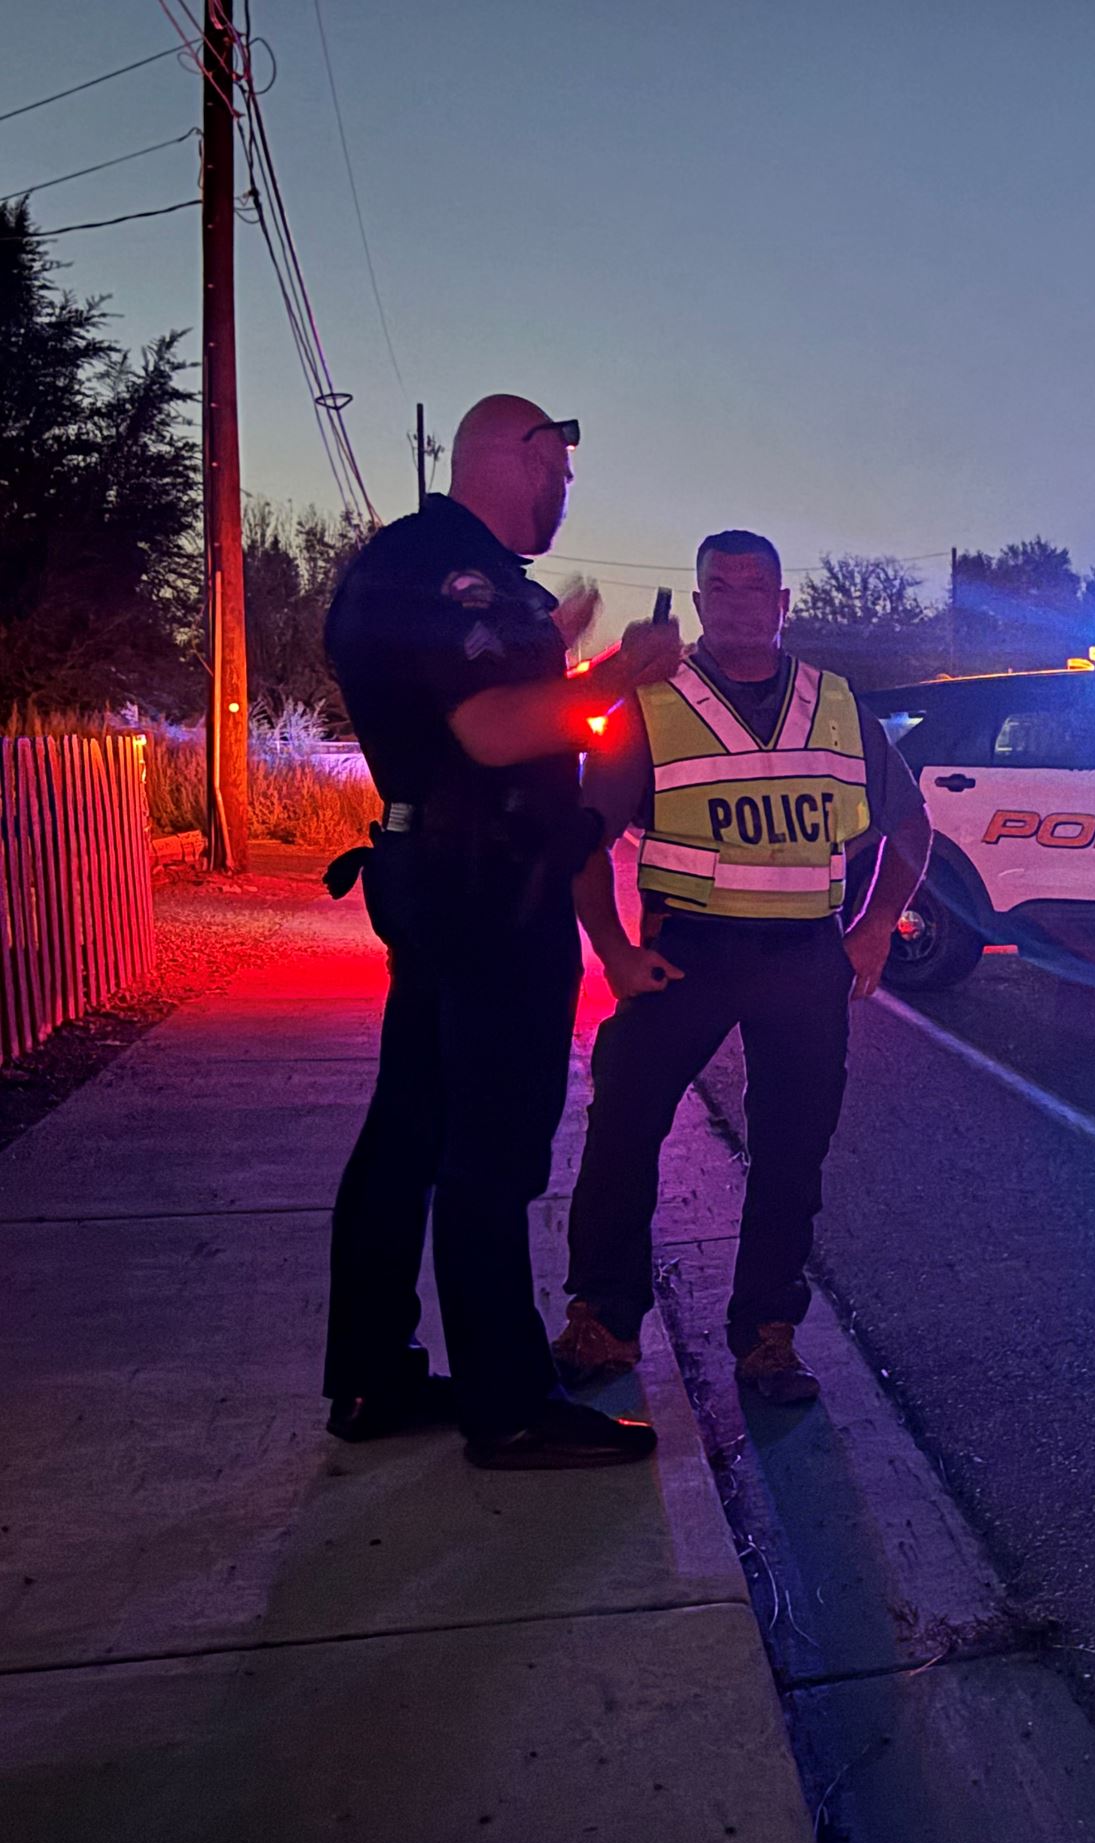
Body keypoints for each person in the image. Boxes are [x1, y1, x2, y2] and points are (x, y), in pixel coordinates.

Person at [321, 394, 685, 1468]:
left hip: (441, 871)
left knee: (412, 1134)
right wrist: (622, 671)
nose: (566, 497)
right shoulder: (452, 570)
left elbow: (466, 701)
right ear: (519, 455)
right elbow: (487, 730)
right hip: (484, 887)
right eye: (559, 474)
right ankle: (507, 1405)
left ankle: (371, 1376)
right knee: (492, 1148)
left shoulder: (425, 566)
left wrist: (556, 655)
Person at [552, 529, 930, 1405]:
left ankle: (767, 1334)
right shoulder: (653, 706)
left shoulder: (839, 708)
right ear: (697, 602)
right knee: (623, 1126)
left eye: (755, 589)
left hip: (805, 955)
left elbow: (911, 832)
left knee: (794, 1149)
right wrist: (613, 950)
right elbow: (581, 843)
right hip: (687, 956)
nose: (738, 604)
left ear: (784, 604)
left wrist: (874, 928)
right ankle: (603, 1319)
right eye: (719, 590)